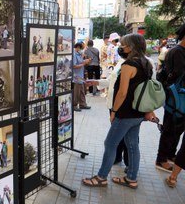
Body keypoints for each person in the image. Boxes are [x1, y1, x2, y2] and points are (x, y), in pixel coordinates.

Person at [82, 33, 156, 189]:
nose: (120, 48)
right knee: (132, 144)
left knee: (110, 144)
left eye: (123, 45)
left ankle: (101, 177)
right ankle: (131, 178)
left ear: (131, 47)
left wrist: (114, 111)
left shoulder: (128, 65)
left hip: (125, 113)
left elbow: (122, 92)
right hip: (138, 112)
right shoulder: (147, 63)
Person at [155, 23, 185, 173]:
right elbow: (176, 76)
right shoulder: (177, 52)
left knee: (178, 129)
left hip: (180, 98)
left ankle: (171, 155)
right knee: (169, 129)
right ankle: (161, 159)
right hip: (176, 98)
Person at [73, 42, 91, 112]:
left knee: (82, 91)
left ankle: (82, 104)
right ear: (78, 47)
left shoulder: (79, 54)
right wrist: (83, 63)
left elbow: (80, 62)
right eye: (81, 48)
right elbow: (74, 66)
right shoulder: (74, 54)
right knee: (77, 91)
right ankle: (74, 105)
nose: (82, 50)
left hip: (80, 75)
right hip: (76, 76)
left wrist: (85, 61)